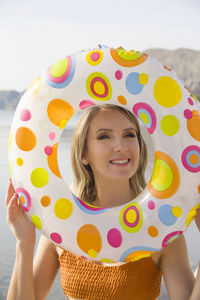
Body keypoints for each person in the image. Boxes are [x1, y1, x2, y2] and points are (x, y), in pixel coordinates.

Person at [5, 104, 200, 300]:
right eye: (104, 136)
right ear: (84, 155)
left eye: (129, 135)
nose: (121, 146)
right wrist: (24, 242)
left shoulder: (160, 227)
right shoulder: (62, 221)